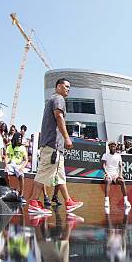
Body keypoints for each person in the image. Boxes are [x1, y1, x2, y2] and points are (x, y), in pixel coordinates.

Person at [25, 78, 83, 215]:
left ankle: (68, 201)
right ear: (58, 86)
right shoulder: (58, 99)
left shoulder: (53, 99)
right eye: (66, 86)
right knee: (43, 173)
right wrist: (67, 138)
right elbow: (59, 117)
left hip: (55, 147)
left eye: (70, 87)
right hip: (53, 145)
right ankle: (34, 202)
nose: (68, 89)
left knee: (60, 176)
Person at [102, 141, 131, 211]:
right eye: (111, 146)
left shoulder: (118, 155)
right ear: (109, 147)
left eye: (114, 146)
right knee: (108, 181)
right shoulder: (105, 155)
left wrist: (120, 175)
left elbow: (121, 166)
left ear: (116, 147)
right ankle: (106, 201)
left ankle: (126, 201)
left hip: (116, 175)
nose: (113, 147)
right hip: (108, 174)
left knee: (122, 181)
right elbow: (103, 165)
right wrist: (106, 173)